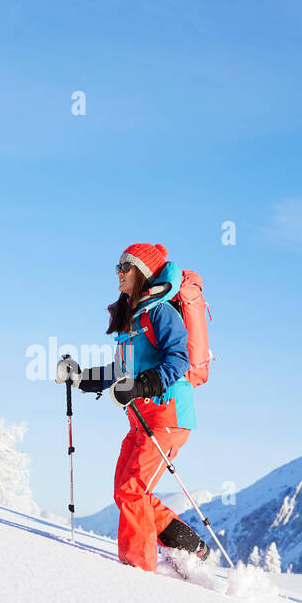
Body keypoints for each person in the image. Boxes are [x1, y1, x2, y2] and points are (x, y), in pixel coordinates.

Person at [56, 243, 209, 572]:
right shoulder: (134, 318)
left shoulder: (160, 312)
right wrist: (81, 378)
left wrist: (142, 385)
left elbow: (179, 359)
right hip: (142, 420)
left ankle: (137, 573)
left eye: (126, 267)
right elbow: (118, 372)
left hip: (169, 415)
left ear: (143, 273)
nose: (119, 273)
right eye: (118, 268)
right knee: (126, 490)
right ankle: (190, 547)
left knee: (132, 490)